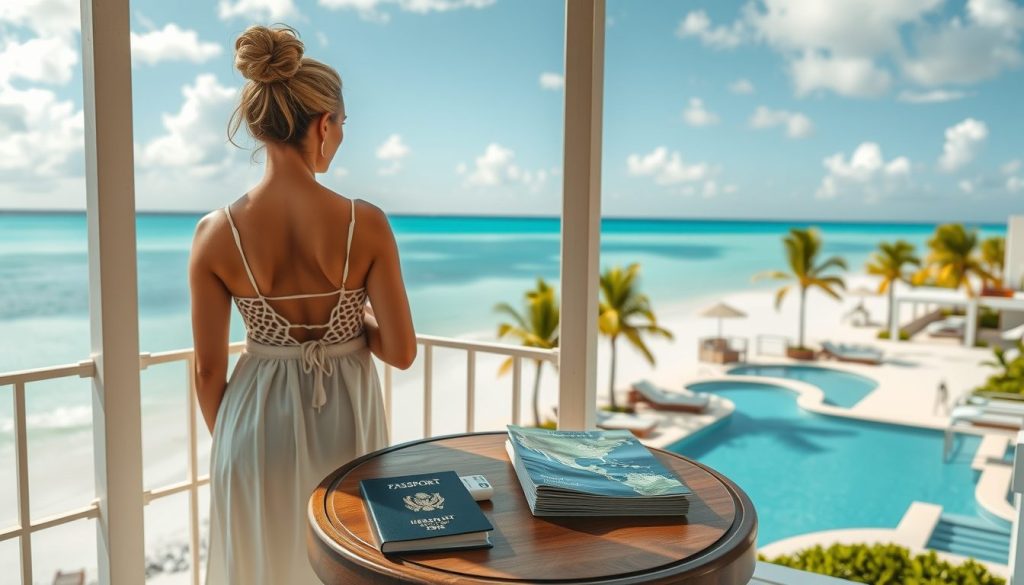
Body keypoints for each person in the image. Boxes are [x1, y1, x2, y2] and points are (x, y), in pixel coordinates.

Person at [188, 25, 416, 584]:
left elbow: (209, 369)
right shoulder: (366, 223)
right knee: (345, 564)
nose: (340, 138)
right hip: (346, 421)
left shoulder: (215, 233)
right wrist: (348, 317)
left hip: (252, 426)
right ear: (323, 124)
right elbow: (402, 351)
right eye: (342, 125)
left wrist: (238, 444)